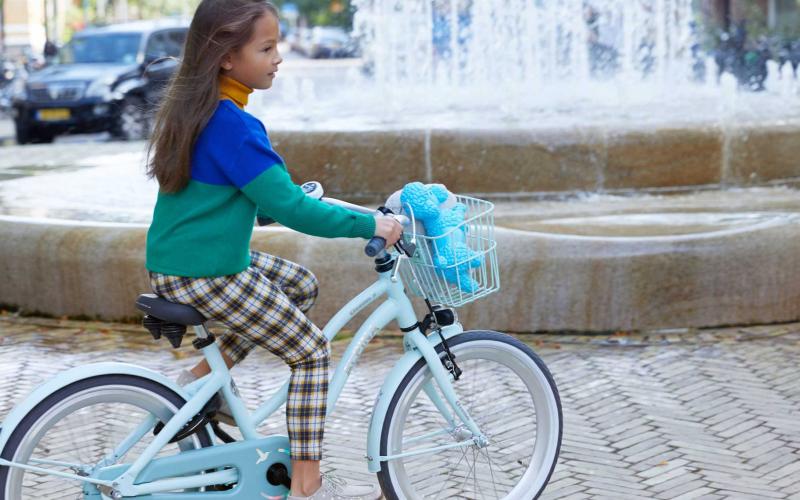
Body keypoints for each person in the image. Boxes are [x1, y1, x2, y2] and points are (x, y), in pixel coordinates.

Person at [143, 1, 403, 498]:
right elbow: (294, 213)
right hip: (207, 272)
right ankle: (306, 480)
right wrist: (370, 222)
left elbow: (247, 200)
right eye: (266, 48)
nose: (278, 57)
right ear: (226, 56)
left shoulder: (202, 111)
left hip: (187, 262)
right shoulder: (233, 126)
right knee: (310, 352)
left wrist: (285, 200)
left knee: (298, 284)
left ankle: (203, 384)